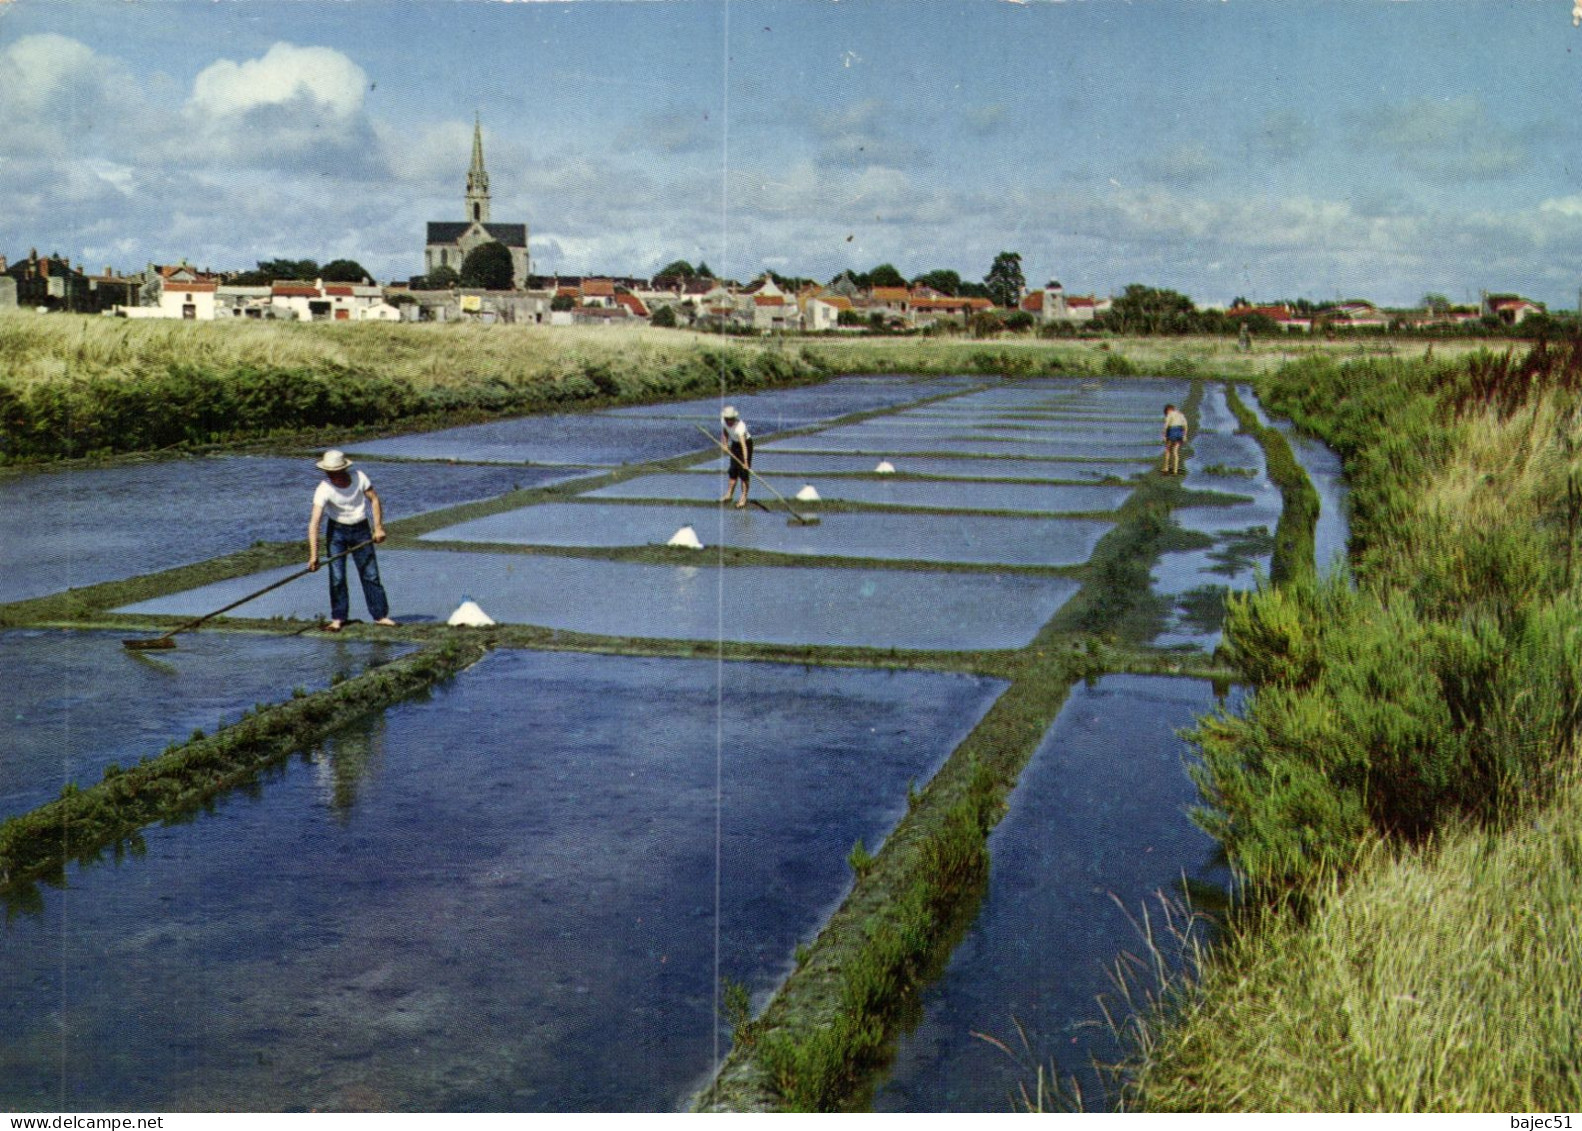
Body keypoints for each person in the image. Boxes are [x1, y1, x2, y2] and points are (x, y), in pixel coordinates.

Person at [308, 449, 395, 631]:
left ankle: (380, 615)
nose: (332, 476)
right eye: (329, 473)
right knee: (337, 576)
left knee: (370, 574)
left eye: (335, 473)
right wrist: (314, 556)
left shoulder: (359, 478)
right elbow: (314, 523)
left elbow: (375, 500)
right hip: (337, 532)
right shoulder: (323, 489)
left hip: (361, 528)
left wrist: (378, 527)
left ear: (343, 469)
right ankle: (338, 618)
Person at [720, 406, 753, 509]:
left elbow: (744, 446)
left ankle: (743, 497)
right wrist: (725, 444)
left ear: (734, 418)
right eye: (727, 419)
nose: (729, 421)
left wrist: (746, 462)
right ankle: (729, 494)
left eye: (731, 419)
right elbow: (725, 432)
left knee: (743, 473)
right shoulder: (724, 422)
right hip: (735, 444)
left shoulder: (740, 427)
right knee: (733, 470)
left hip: (745, 445)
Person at [1161, 404, 1189, 475]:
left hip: (1172, 431)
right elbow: (1185, 425)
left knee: (1168, 450)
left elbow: (1166, 425)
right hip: (1180, 432)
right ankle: (1175, 470)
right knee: (1175, 451)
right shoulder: (1181, 415)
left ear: (1168, 410)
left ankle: (1166, 468)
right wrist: (1184, 435)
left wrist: (1164, 435)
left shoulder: (1170, 414)